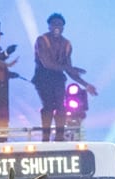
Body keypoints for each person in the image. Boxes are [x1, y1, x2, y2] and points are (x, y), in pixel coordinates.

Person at [32, 13, 97, 142]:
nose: (57, 27)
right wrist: (69, 68)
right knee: (48, 106)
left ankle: (59, 137)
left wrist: (86, 84)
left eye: (60, 24)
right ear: (49, 26)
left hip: (58, 78)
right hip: (43, 78)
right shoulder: (42, 40)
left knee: (61, 107)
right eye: (54, 24)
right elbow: (47, 63)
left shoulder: (66, 44)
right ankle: (45, 138)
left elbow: (69, 69)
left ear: (63, 27)